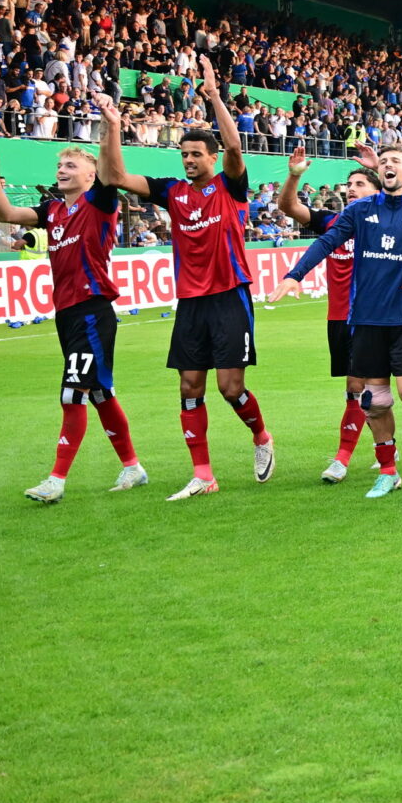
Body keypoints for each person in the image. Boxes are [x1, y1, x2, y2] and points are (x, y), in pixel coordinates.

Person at [91, 65, 274, 502]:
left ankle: (262, 437)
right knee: (189, 386)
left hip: (230, 296)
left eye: (197, 154)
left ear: (211, 159)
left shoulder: (231, 188)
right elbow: (115, 177)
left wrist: (213, 95)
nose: (190, 160)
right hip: (191, 301)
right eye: (185, 155)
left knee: (231, 388)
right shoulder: (171, 191)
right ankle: (203, 474)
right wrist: (113, 127)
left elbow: (233, 143)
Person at [0, 138, 148, 502]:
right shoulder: (52, 210)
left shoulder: (99, 201)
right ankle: (133, 467)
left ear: (90, 176)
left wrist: (110, 127)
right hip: (67, 312)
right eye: (60, 166)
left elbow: (110, 168)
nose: (62, 171)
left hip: (92, 309)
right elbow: (7, 214)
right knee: (100, 393)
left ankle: (56, 480)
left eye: (71, 167)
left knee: (73, 393)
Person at [273, 148, 402, 498]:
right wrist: (295, 275)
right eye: (383, 162)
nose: (388, 166)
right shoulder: (360, 210)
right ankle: (388, 471)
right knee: (375, 401)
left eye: (395, 161)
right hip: (366, 318)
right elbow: (326, 241)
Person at [275, 149, 372, 482]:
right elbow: (288, 207)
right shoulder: (332, 222)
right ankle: (387, 444)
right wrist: (295, 175)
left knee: (359, 386)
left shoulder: (383, 223)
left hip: (371, 316)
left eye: (360, 183)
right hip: (338, 317)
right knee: (368, 390)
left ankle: (342, 458)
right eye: (349, 184)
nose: (351, 189)